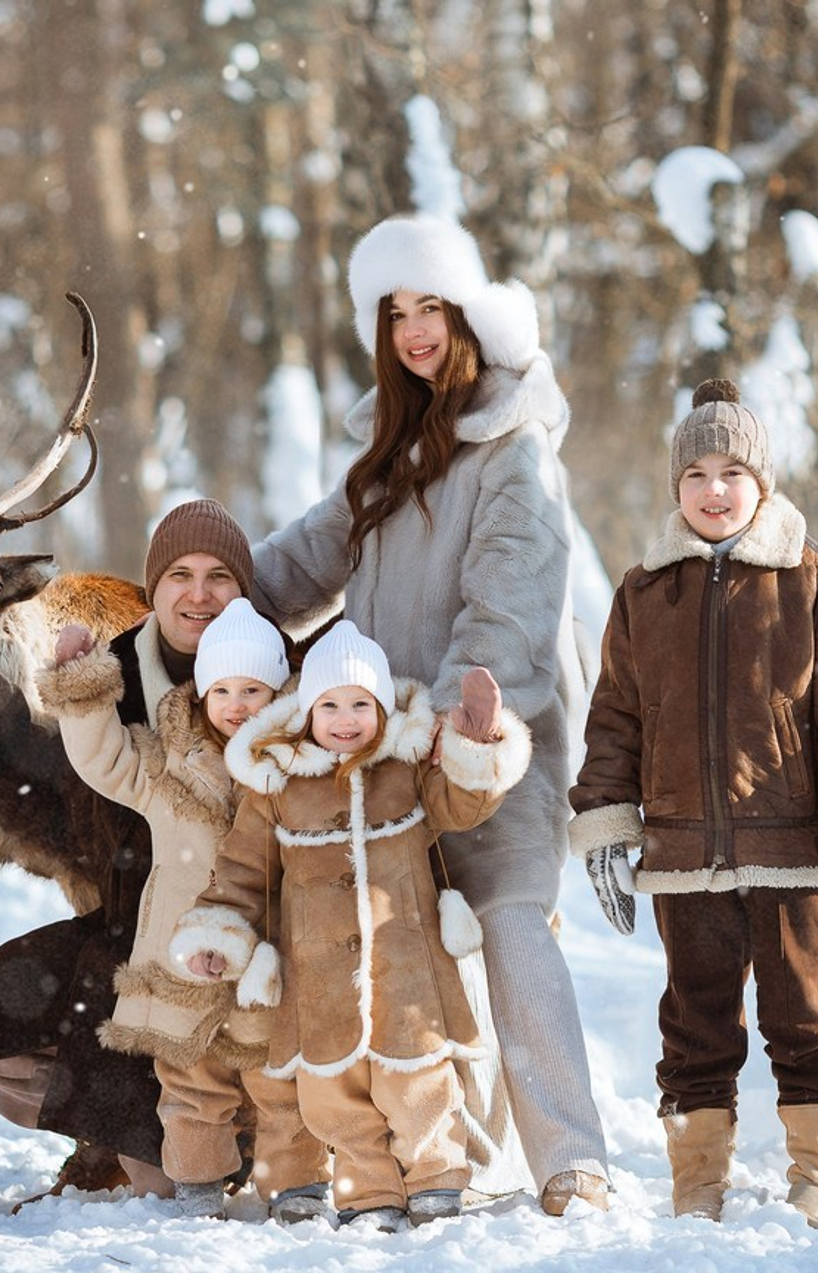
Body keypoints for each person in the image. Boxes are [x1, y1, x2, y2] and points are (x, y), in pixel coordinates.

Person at [248, 212, 611, 1213]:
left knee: (507, 933)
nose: (412, 330)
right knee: (404, 949)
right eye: (394, 311)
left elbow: (506, 610)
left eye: (430, 308)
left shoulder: (513, 452)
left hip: (491, 748)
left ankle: (571, 1160)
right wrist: (204, 601)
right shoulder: (390, 450)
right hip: (383, 756)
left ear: (467, 315)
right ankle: (444, 1149)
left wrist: (450, 728)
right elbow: (303, 558)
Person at [568, 378, 818, 1228]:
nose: (714, 491)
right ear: (675, 487)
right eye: (696, 475)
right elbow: (616, 718)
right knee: (695, 1022)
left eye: (732, 473)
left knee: (808, 1011)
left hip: (791, 843)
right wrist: (608, 818)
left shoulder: (816, 583)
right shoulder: (645, 593)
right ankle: (698, 1177)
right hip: (683, 853)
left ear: (763, 482)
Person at [0, 498, 258, 1198]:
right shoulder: (105, 678)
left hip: (257, 956)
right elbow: (73, 810)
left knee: (160, 1190)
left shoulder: (289, 686)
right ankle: (122, 1126)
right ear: (154, 587)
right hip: (129, 944)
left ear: (244, 590)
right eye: (179, 575)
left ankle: (245, 1133)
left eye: (219, 576)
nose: (198, 594)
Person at [172, 622, 532, 1231]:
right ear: (307, 712)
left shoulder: (407, 774)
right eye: (330, 705)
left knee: (417, 1086)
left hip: (407, 975)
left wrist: (478, 743)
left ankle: (437, 1178)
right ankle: (367, 1191)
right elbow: (239, 869)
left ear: (383, 708)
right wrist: (219, 933)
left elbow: (464, 806)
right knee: (332, 1098)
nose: (346, 718)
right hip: (318, 981)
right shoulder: (279, 787)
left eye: (361, 704)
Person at [38, 599, 331, 1222]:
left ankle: (296, 1184)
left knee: (282, 1084)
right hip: (184, 961)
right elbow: (102, 758)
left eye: (253, 688)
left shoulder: (302, 769)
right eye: (222, 689)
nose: (237, 704)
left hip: (270, 963)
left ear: (280, 692)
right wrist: (84, 691)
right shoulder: (170, 765)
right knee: (190, 1084)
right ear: (199, 695)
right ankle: (198, 1181)